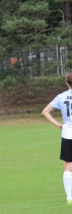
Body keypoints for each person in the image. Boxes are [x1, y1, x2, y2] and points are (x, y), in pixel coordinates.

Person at [42, 73, 72, 205]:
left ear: (67, 83)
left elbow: (45, 112)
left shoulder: (60, 97)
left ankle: (69, 197)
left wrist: (57, 124)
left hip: (67, 133)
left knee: (67, 166)